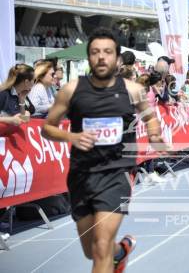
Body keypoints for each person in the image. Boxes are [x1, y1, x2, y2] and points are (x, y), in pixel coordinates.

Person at [41, 28, 167, 273]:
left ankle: (112, 255)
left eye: (107, 52)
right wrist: (71, 136)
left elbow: (150, 117)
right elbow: (47, 128)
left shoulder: (133, 90)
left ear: (117, 58)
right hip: (81, 176)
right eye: (95, 52)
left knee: (100, 247)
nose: (101, 57)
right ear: (89, 58)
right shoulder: (71, 90)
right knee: (93, 251)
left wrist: (154, 134)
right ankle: (120, 253)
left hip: (117, 175)